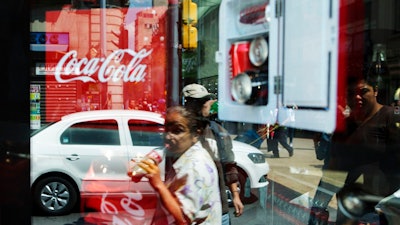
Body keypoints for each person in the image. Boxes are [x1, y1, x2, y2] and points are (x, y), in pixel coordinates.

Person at [308, 74, 400, 225]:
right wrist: (318, 207)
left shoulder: (391, 117)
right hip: (349, 210)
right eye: (351, 93)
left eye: (363, 91)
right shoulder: (344, 127)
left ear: (375, 91)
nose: (357, 97)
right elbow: (333, 173)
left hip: (381, 212)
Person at [139, 106, 222, 224]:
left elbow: (183, 218)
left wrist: (158, 184)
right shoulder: (184, 153)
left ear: (195, 134)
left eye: (177, 131)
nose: (168, 136)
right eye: (166, 129)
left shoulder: (195, 166)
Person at [181, 83, 244, 224]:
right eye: (201, 101)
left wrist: (235, 196)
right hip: (188, 211)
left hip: (218, 210)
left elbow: (229, 165)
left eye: (207, 100)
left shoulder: (218, 133)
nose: (207, 104)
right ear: (188, 105)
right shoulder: (179, 133)